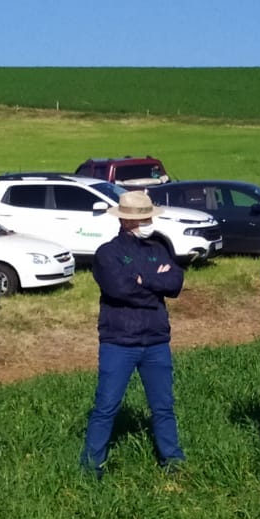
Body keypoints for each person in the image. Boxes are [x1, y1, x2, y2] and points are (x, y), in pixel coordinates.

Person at [81, 191, 186, 476]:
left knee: (163, 406)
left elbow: (175, 282)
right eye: (143, 218)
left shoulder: (159, 247)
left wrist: (144, 280)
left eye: (149, 216)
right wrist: (155, 284)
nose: (148, 222)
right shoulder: (107, 253)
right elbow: (119, 290)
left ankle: (173, 460)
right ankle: (91, 467)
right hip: (119, 341)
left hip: (156, 340)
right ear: (127, 220)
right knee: (106, 406)